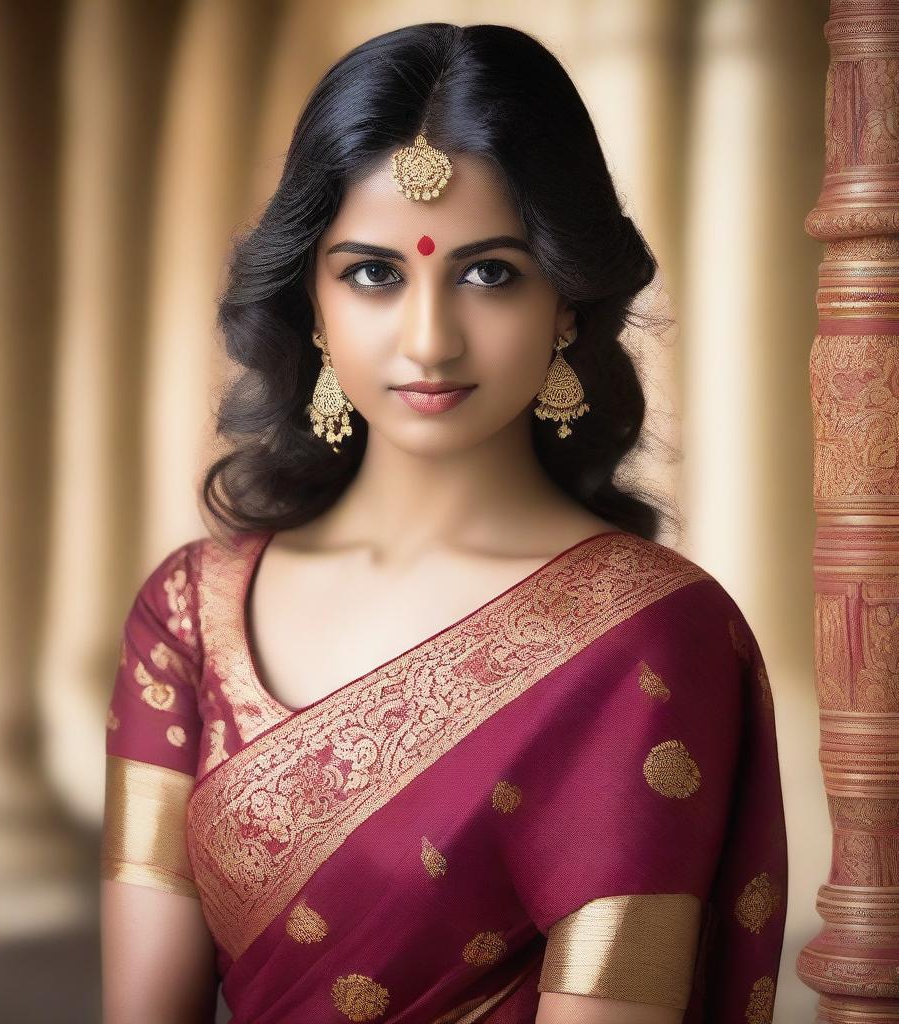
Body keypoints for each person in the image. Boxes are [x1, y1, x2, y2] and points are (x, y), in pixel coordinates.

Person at [100, 21, 787, 1024]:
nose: (429, 339)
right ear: (312, 300)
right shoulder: (190, 613)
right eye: (375, 272)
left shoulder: (644, 640)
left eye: (488, 272)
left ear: (565, 300)